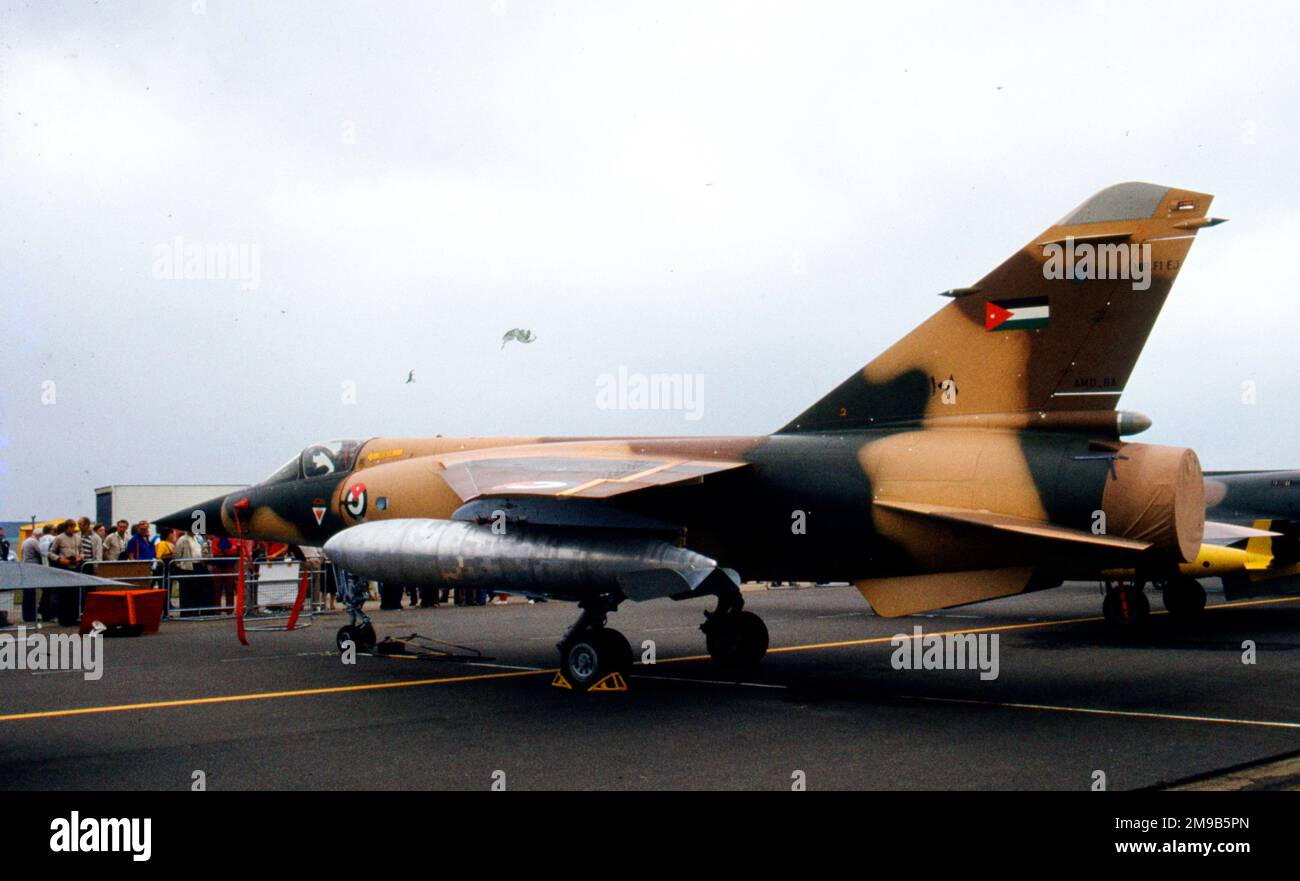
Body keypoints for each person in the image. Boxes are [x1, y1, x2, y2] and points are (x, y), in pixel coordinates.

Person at [48, 519, 84, 625]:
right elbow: (51, 553)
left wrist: (79, 558)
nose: (72, 529)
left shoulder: (78, 538)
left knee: (75, 594)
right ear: (66, 528)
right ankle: (63, 618)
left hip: (75, 567)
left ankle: (74, 617)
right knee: (64, 594)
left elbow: (82, 552)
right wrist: (60, 559)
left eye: (74, 527)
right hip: (64, 567)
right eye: (70, 527)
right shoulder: (59, 538)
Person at [172, 527, 209, 616]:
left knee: (196, 590)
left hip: (198, 565)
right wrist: (180, 565)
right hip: (187, 567)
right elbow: (177, 555)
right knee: (186, 591)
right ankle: (185, 612)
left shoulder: (198, 538)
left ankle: (195, 610)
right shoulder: (182, 540)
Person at [19, 530, 42, 622]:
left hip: (26, 567)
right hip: (32, 569)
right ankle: (31, 615)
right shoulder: (34, 542)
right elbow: (41, 552)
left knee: (27, 593)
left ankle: (27, 615)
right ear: (38, 535)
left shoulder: (26, 541)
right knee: (31, 593)